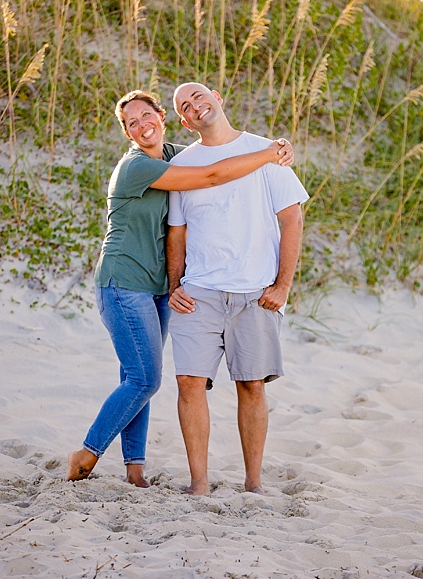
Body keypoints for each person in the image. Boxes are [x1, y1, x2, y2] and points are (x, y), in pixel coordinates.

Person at [67, 90, 292, 487]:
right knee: (144, 379)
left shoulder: (172, 153)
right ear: (126, 133)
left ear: (164, 118)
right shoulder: (137, 167)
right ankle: (87, 452)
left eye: (146, 115)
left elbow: (215, 153)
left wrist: (276, 150)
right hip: (123, 282)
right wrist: (271, 153)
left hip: (156, 288)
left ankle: (135, 468)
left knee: (133, 377)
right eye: (131, 123)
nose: (142, 125)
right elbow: (212, 174)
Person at [165, 82, 307, 495]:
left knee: (252, 384)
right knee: (189, 383)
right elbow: (177, 233)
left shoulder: (266, 151)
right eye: (185, 106)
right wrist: (175, 284)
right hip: (199, 294)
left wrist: (282, 286)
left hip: (254, 294)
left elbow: (292, 219)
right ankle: (200, 483)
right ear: (184, 121)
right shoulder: (185, 166)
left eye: (198, 96)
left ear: (218, 98)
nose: (194, 106)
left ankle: (254, 483)